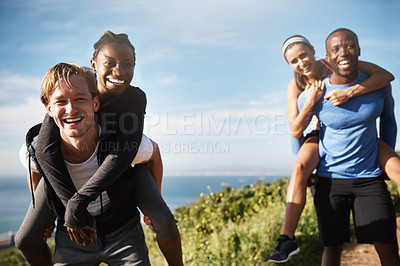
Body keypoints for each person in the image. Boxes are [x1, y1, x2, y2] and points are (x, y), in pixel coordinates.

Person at [15, 31, 183, 266]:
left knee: (164, 219)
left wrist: (153, 204)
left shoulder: (133, 99)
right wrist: (54, 211)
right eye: (110, 63)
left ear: (93, 103)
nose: (119, 71)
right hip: (66, 169)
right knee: (25, 239)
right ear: (94, 65)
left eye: (128, 64)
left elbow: (127, 152)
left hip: (122, 162)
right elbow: (42, 153)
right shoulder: (75, 89)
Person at [268, 33, 400, 263]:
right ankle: (287, 238)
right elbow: (294, 129)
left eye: (303, 55)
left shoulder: (336, 61)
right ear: (289, 65)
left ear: (313, 50)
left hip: (359, 130)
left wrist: (350, 91)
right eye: (294, 61)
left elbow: (385, 76)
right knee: (300, 168)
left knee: (396, 167)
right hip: (320, 132)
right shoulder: (296, 84)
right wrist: (310, 101)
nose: (302, 63)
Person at [309, 28, 398, 265]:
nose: (343, 52)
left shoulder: (378, 85)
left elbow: (389, 120)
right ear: (327, 58)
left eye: (349, 46)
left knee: (388, 247)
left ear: (358, 50)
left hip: (369, 179)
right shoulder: (318, 93)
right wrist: (304, 169)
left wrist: (384, 158)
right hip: (329, 181)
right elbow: (298, 132)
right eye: (335, 49)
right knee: (332, 249)